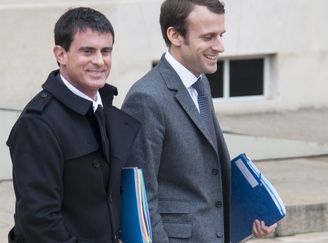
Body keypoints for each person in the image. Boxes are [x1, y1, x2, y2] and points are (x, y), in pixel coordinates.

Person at [122, 0, 276, 242]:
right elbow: (141, 197)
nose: (220, 46)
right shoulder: (146, 98)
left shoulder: (200, 81)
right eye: (208, 37)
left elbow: (209, 174)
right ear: (175, 35)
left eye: (221, 35)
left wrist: (250, 214)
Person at [7, 7, 140, 242]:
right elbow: (38, 221)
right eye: (87, 51)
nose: (99, 61)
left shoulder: (106, 109)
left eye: (106, 51)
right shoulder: (37, 124)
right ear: (61, 54)